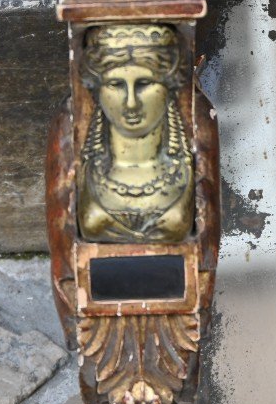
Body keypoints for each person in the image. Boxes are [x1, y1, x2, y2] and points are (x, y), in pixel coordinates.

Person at [77, 24, 194, 242]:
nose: (130, 103)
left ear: (170, 87)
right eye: (115, 84)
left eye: (144, 83)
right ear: (96, 89)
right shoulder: (74, 155)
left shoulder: (199, 145)